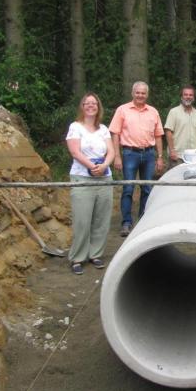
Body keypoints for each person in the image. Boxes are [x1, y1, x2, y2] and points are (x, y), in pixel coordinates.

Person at [65, 93, 115, 275]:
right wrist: (93, 167)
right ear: (82, 106)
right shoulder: (75, 127)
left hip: (104, 178)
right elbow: (75, 152)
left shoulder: (103, 129)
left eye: (94, 103)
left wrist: (104, 165)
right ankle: (78, 257)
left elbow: (111, 151)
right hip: (83, 178)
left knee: (101, 219)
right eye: (88, 103)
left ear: (98, 107)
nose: (91, 106)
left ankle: (96, 254)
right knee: (82, 220)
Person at [109, 81, 165, 237]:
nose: (140, 95)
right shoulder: (122, 110)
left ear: (147, 95)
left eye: (143, 93)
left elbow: (158, 135)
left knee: (147, 188)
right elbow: (115, 133)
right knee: (128, 188)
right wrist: (117, 156)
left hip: (148, 154)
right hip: (129, 154)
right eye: (138, 92)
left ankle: (143, 220)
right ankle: (126, 222)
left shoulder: (153, 112)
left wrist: (160, 157)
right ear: (132, 93)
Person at [164, 85, 196, 165]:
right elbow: (168, 132)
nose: (188, 97)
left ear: (193, 97)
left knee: (194, 177)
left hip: (194, 156)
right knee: (176, 177)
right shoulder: (174, 112)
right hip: (178, 156)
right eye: (185, 94)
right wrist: (172, 151)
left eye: (190, 95)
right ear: (181, 97)